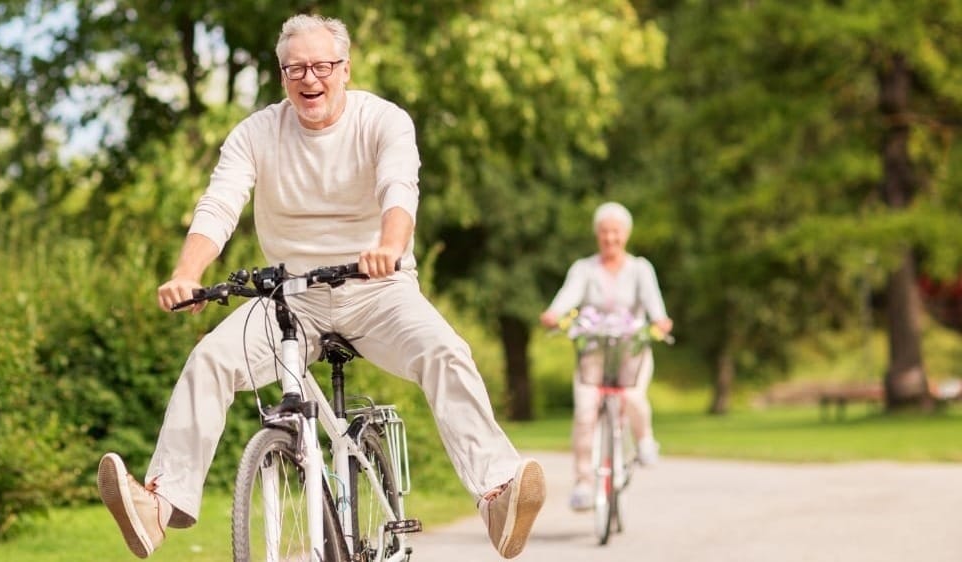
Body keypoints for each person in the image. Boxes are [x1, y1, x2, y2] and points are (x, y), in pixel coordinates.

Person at [95, 13, 546, 560]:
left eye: (322, 66)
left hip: (378, 290)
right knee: (209, 360)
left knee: (446, 351)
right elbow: (220, 204)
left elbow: (400, 188)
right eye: (296, 69)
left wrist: (389, 245)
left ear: (345, 69)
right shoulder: (257, 132)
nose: (310, 79)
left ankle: (497, 495)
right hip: (291, 298)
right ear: (282, 76)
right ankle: (159, 505)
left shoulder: (383, 121)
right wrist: (187, 274)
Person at [539, 201, 673, 512]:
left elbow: (654, 304)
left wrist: (660, 321)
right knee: (585, 412)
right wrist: (554, 313)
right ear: (597, 235)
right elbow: (567, 296)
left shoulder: (640, 269)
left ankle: (644, 441)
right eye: (604, 232)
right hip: (594, 352)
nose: (610, 238)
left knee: (633, 396)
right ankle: (584, 483)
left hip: (631, 350)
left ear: (625, 234)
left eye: (615, 232)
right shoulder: (584, 269)